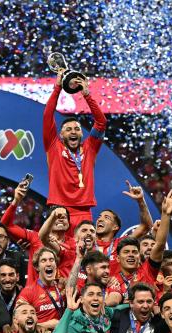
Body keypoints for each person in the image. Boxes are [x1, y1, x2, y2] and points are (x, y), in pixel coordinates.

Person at [43, 67, 107, 231]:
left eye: (77, 129)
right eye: (68, 129)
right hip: (58, 211)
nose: (73, 132)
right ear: (61, 134)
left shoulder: (90, 147)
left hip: (84, 211)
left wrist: (87, 95)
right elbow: (48, 116)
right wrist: (57, 88)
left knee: (82, 254)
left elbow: (101, 122)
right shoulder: (53, 146)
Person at [105, 189, 172, 305]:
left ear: (139, 256)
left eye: (134, 252)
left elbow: (160, 244)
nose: (131, 255)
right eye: (126, 252)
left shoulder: (147, 270)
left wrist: (166, 215)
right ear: (117, 258)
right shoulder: (111, 276)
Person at [16, 247, 65, 331]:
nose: (48, 264)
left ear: (56, 265)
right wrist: (46, 325)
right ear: (37, 267)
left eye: (51, 260)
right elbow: (17, 324)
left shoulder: (62, 286)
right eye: (43, 260)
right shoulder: (28, 292)